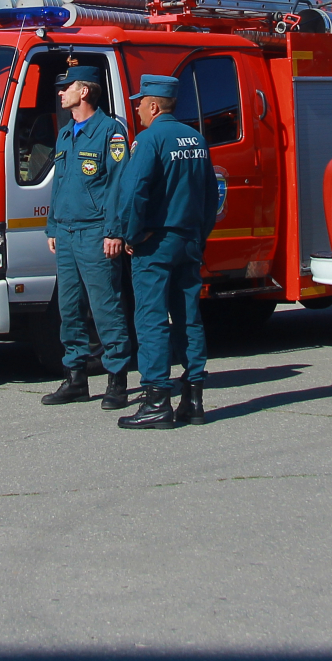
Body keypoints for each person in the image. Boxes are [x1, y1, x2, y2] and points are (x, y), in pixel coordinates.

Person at [114, 73, 218, 429]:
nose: (138, 109)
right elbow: (209, 197)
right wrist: (199, 236)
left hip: (154, 243)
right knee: (189, 318)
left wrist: (130, 234)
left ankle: (157, 398)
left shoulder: (149, 140)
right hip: (188, 240)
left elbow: (133, 193)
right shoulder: (198, 140)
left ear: (154, 105)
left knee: (152, 319)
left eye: (140, 103)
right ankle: (194, 398)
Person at [41, 66, 134, 409]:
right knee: (70, 308)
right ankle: (75, 378)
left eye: (66, 86)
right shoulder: (66, 134)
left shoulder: (110, 132)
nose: (61, 92)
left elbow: (119, 188)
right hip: (65, 232)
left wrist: (114, 232)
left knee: (106, 306)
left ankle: (117, 381)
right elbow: (60, 185)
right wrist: (52, 227)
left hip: (96, 232)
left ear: (84, 91)